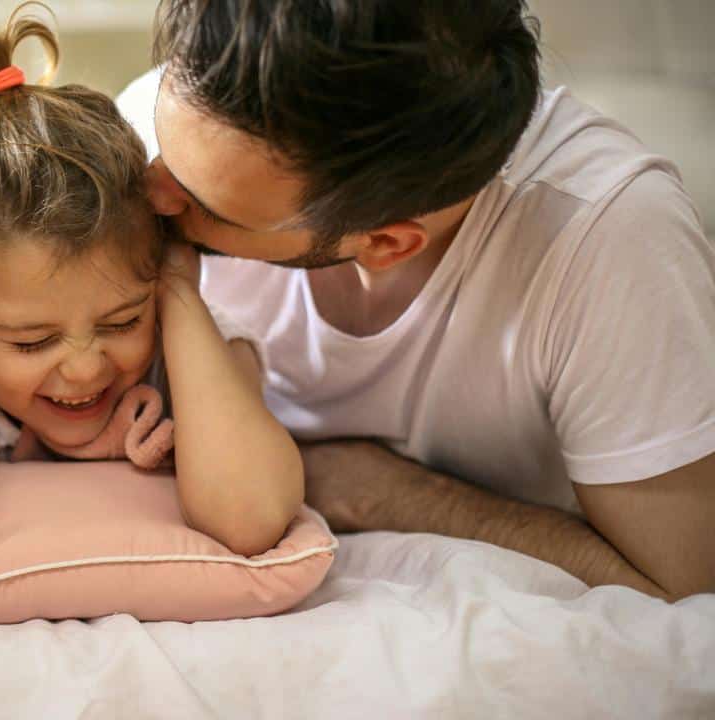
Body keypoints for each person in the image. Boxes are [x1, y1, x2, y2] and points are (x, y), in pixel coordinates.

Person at [116, 0, 715, 600]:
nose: (148, 195)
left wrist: (373, 488)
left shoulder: (607, 240)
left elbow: (683, 587)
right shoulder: (180, 119)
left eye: (206, 207)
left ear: (385, 243)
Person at [0, 1, 304, 607]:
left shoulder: (193, 346)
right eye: (32, 341)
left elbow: (253, 519)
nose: (86, 368)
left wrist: (177, 291)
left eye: (122, 322)